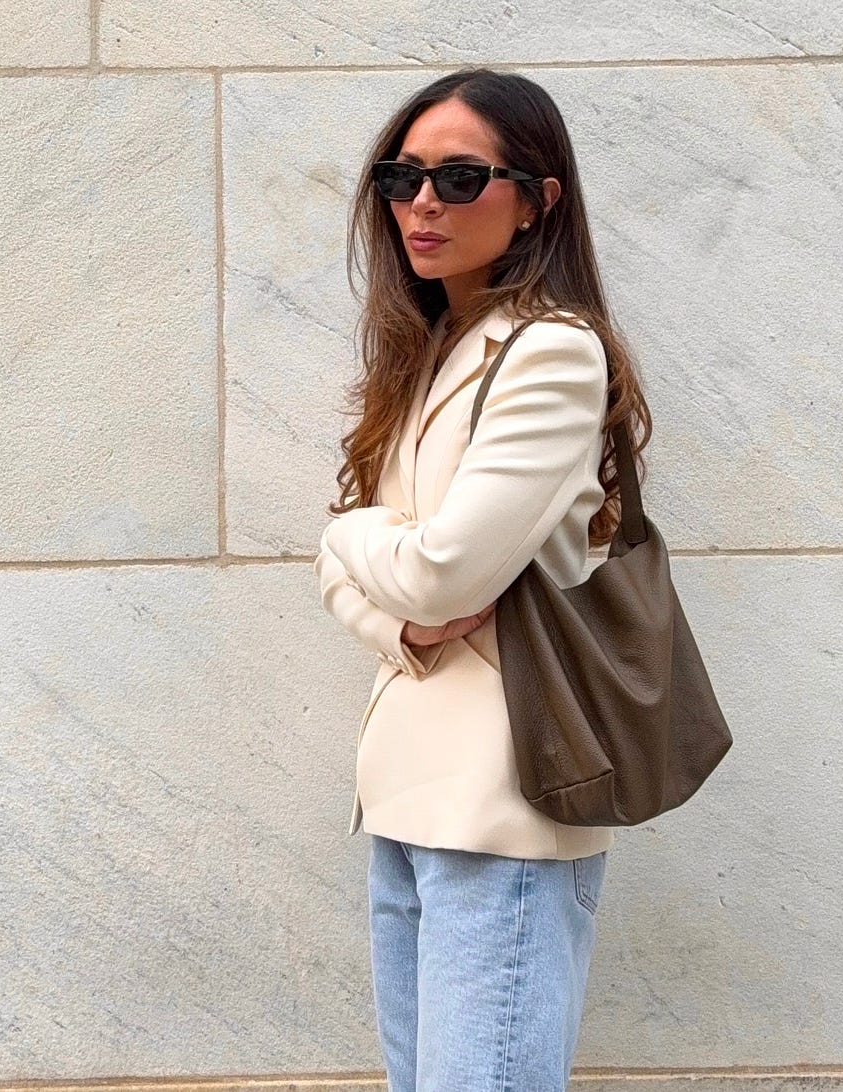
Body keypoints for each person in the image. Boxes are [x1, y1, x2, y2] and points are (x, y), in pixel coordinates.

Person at [313, 66, 653, 1091]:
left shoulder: (551, 354)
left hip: (503, 807)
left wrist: (352, 538)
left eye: (460, 178)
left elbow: (442, 571)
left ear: (537, 199)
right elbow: (385, 587)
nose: (423, 202)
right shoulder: (425, 355)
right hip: (404, 800)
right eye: (402, 177)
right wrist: (398, 621)